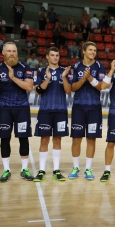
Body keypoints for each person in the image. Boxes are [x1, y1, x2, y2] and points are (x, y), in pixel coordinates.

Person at [67, 41, 106, 180]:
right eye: (90, 50)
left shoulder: (100, 66)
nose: (93, 52)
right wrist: (83, 79)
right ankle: (75, 167)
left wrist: (89, 78)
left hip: (94, 107)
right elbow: (72, 88)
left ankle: (88, 169)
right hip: (78, 107)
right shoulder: (76, 66)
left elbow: (101, 86)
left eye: (95, 50)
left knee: (91, 139)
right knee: (76, 139)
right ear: (83, 51)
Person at [32, 47, 71, 182]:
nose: (55, 57)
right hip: (45, 110)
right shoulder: (41, 71)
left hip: (60, 111)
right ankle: (41, 170)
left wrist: (64, 77)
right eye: (52, 55)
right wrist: (47, 79)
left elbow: (68, 91)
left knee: (57, 140)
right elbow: (37, 91)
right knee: (44, 140)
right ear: (47, 57)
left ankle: (56, 170)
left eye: (57, 55)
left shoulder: (64, 71)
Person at [0, 42, 34, 182]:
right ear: (3, 53)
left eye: (14, 51)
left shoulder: (25, 67)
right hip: (3, 109)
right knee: (5, 139)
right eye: (9, 51)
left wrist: (13, 78)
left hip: (22, 109)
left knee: (23, 139)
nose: (12, 53)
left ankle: (24, 169)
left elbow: (29, 87)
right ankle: (6, 170)